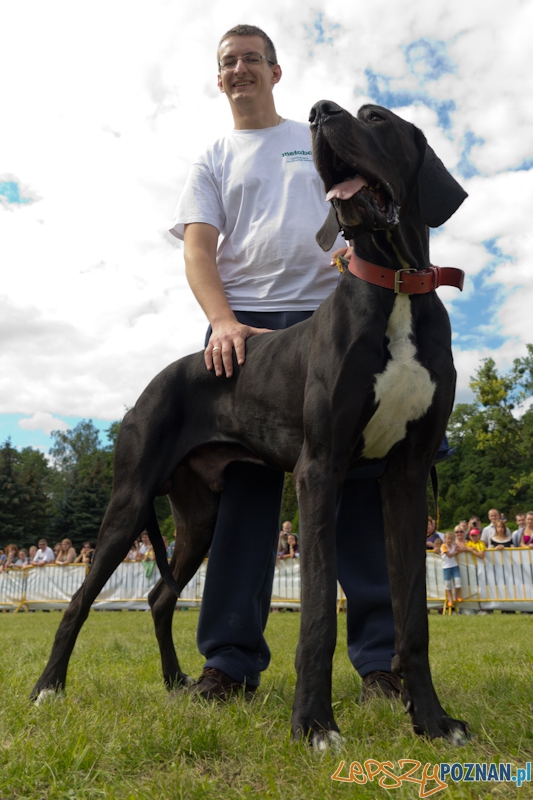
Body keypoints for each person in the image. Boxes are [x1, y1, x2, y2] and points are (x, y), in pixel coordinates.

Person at [169, 23, 444, 703]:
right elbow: (199, 250)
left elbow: (362, 205)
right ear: (218, 76)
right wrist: (224, 322)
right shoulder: (212, 158)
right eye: (228, 62)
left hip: (337, 318)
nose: (240, 70)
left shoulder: (313, 140)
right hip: (248, 335)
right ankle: (229, 664)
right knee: (247, 496)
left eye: (252, 60)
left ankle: (379, 660)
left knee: (357, 487)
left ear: (275, 70)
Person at [441, 532, 462, 607]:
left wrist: (457, 547)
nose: (449, 540)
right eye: (448, 539)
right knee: (448, 583)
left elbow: (458, 549)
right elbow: (449, 555)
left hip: (454, 565)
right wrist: (456, 552)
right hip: (446, 567)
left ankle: (457, 595)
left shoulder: (453, 545)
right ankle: (450, 599)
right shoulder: (443, 546)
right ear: (445, 539)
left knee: (458, 581)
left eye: (451, 539)